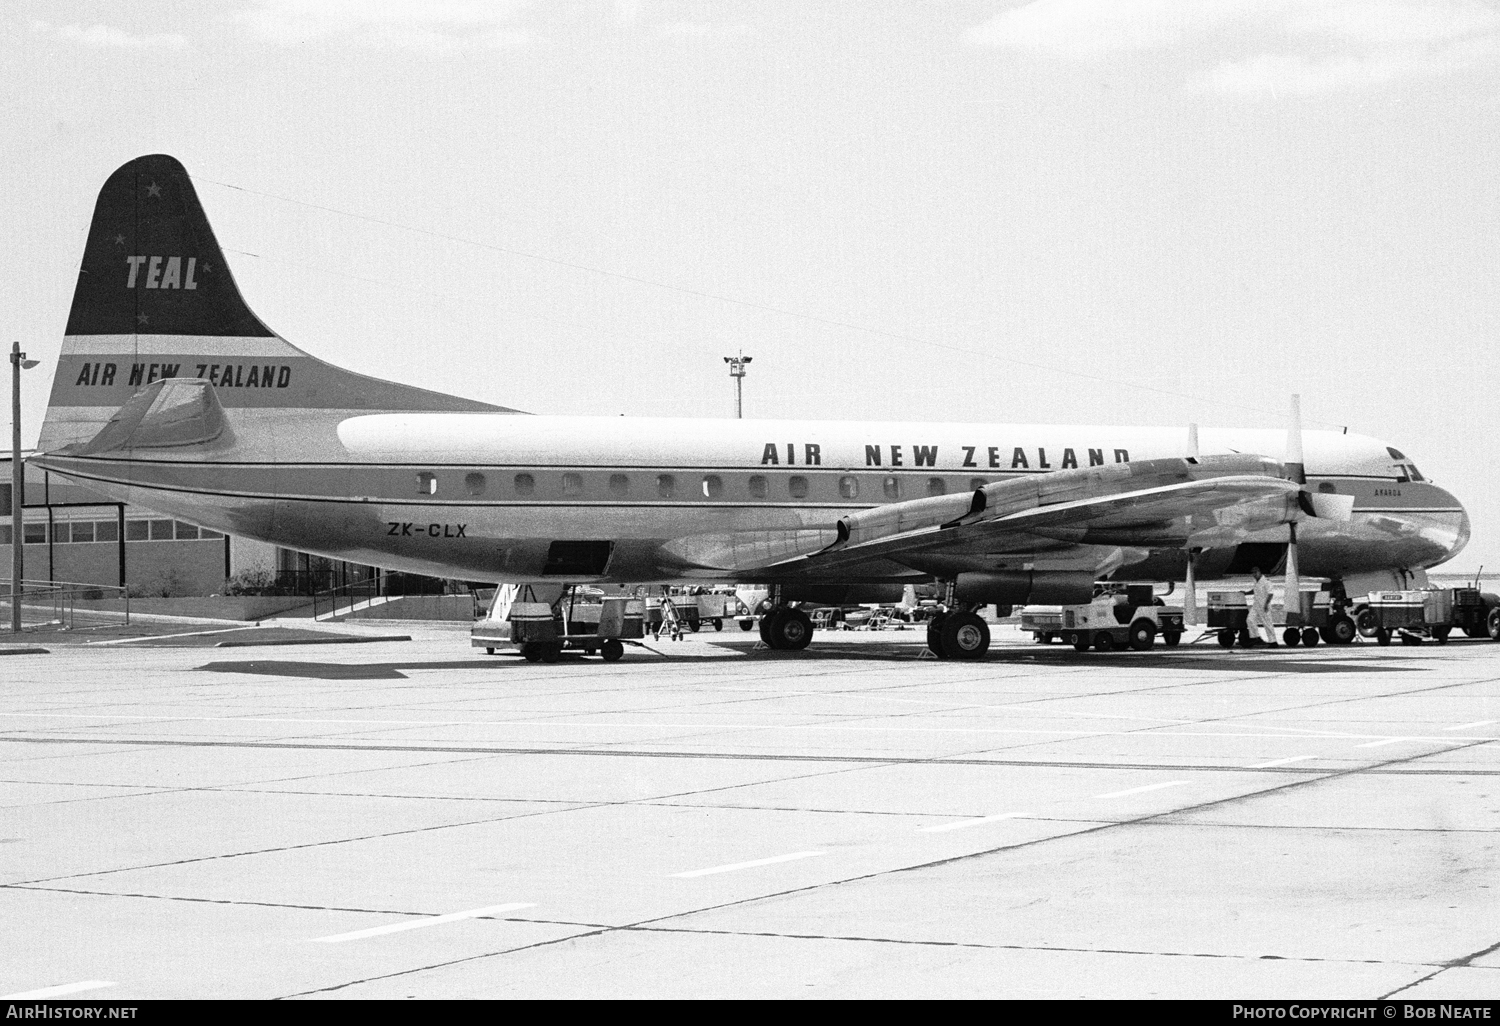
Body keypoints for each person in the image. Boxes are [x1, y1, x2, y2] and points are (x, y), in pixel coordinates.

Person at [1245, 567, 1277, 646]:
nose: (1254, 575)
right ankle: (1255, 637)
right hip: (1256, 604)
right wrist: (1246, 593)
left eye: (1255, 573)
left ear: (1260, 572)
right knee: (1250, 619)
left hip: (1264, 605)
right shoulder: (1256, 581)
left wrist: (1266, 604)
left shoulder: (1266, 582)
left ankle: (1273, 642)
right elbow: (1255, 590)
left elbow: (1270, 594)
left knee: (1267, 623)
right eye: (1253, 573)